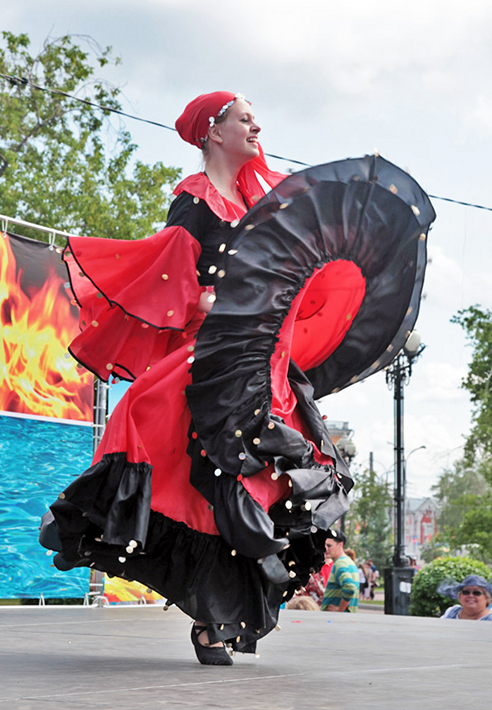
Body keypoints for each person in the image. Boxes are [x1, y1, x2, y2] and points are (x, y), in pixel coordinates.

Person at [39, 90, 434, 665]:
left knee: (267, 483)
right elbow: (177, 288)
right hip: (215, 361)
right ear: (213, 131)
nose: (256, 127)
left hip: (267, 365)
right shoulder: (194, 202)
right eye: (244, 119)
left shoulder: (265, 201)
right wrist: (216, 300)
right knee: (205, 484)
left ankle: (225, 611)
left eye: (255, 119)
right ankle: (211, 618)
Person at [320, 529, 359, 613]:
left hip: (336, 618)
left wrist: (340, 610)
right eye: (324, 545)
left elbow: (349, 588)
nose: (325, 549)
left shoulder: (340, 564)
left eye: (329, 546)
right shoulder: (349, 562)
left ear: (340, 545)